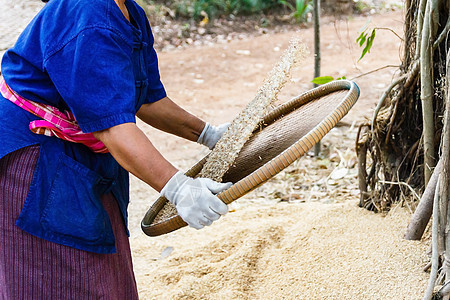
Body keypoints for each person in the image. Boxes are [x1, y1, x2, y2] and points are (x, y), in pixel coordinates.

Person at [0, 0, 231, 298]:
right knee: (59, 277)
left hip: (82, 159)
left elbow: (147, 100)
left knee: (106, 275)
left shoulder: (129, 13)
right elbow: (112, 127)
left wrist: (209, 135)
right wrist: (178, 188)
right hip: (37, 162)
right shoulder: (89, 13)